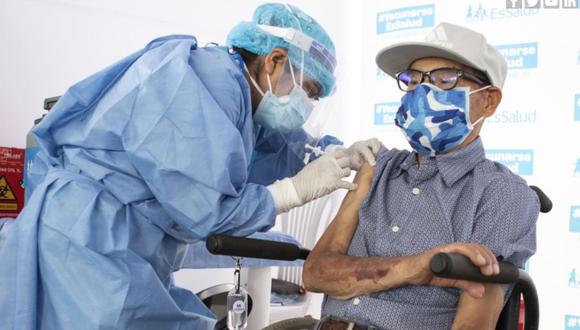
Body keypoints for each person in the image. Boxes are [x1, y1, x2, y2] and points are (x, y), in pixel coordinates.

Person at [0, 3, 381, 329]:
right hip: (87, 243)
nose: (307, 105)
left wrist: (339, 153)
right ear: (275, 60)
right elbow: (209, 212)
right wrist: (293, 191)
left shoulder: (239, 96)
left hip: (127, 246)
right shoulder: (195, 83)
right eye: (309, 90)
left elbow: (278, 149)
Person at [303, 22, 540, 330]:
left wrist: (357, 276)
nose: (422, 93)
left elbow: (473, 321)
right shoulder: (376, 167)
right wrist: (415, 267)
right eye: (413, 80)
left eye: (445, 79)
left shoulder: (502, 195)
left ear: (489, 100)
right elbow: (316, 273)